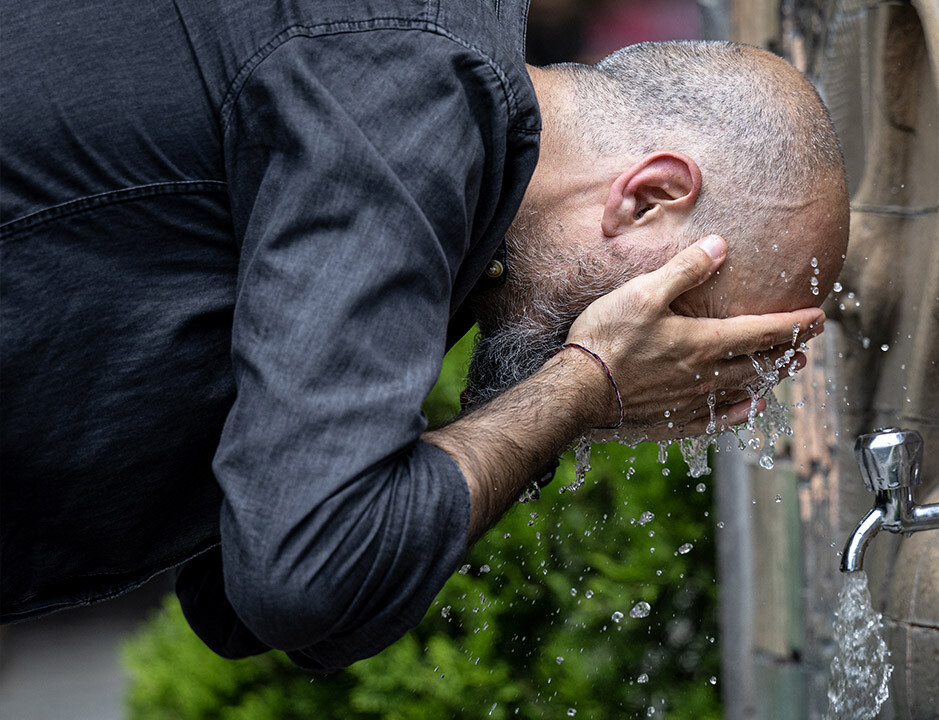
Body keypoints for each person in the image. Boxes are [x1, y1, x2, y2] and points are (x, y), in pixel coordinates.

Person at [0, 0, 848, 671]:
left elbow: (250, 596)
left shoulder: (449, 184)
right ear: (650, 196)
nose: (672, 368)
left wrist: (571, 396)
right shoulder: (411, 88)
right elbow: (306, 572)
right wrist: (587, 379)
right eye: (687, 327)